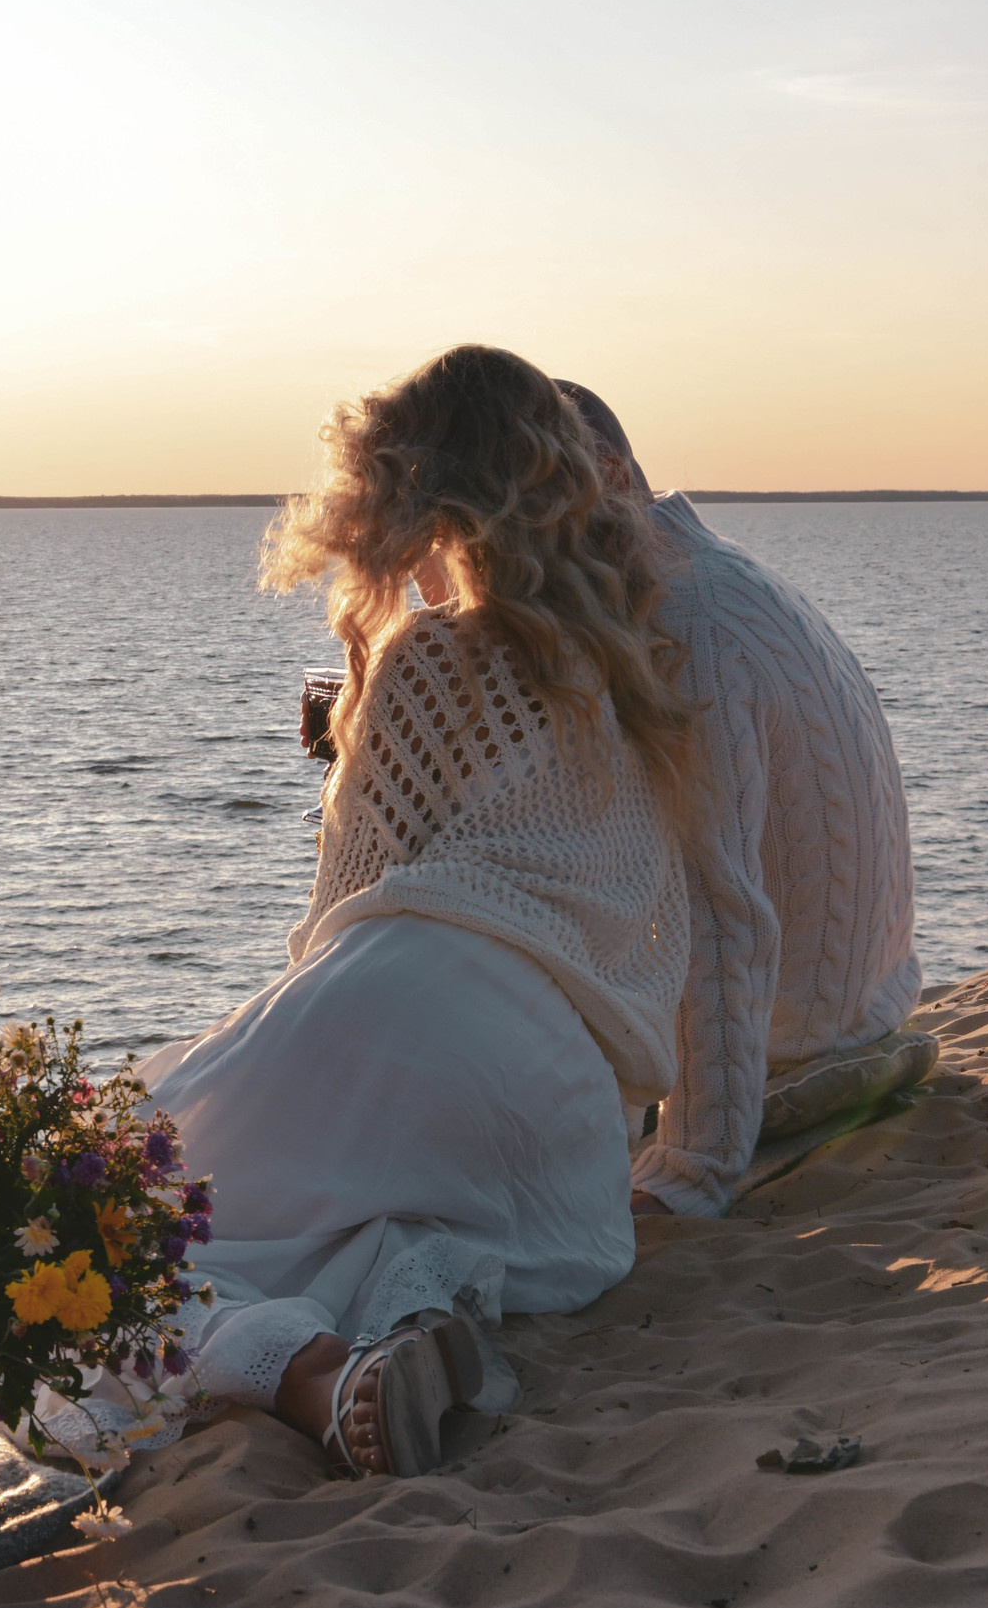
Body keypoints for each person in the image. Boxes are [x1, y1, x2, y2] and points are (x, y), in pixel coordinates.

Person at [135, 345, 695, 1476]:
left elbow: (339, 909)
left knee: (123, 1217)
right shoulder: (616, 662)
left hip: (401, 1006)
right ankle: (398, 1334)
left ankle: (309, 1377)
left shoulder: (429, 653)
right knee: (391, 1226)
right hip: (563, 1111)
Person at [550, 381, 922, 1219]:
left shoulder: (681, 623)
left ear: (609, 477)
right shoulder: (711, 573)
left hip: (801, 1057)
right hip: (863, 1008)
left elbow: (720, 910)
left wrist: (689, 1169)